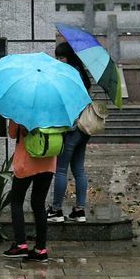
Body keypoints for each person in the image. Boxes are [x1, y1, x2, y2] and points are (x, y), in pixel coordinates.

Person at [48, 41, 94, 223]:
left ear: (69, 57)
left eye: (61, 57)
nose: (59, 60)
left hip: (71, 128)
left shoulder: (67, 75)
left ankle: (56, 210)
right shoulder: (82, 74)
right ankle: (80, 210)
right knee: (79, 169)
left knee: (60, 169)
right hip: (85, 128)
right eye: (57, 57)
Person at [2, 118, 55, 263]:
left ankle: (20, 244)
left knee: (16, 201)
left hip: (27, 161)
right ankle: (41, 249)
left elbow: (12, 134)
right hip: (48, 161)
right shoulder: (53, 108)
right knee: (39, 204)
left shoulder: (20, 109)